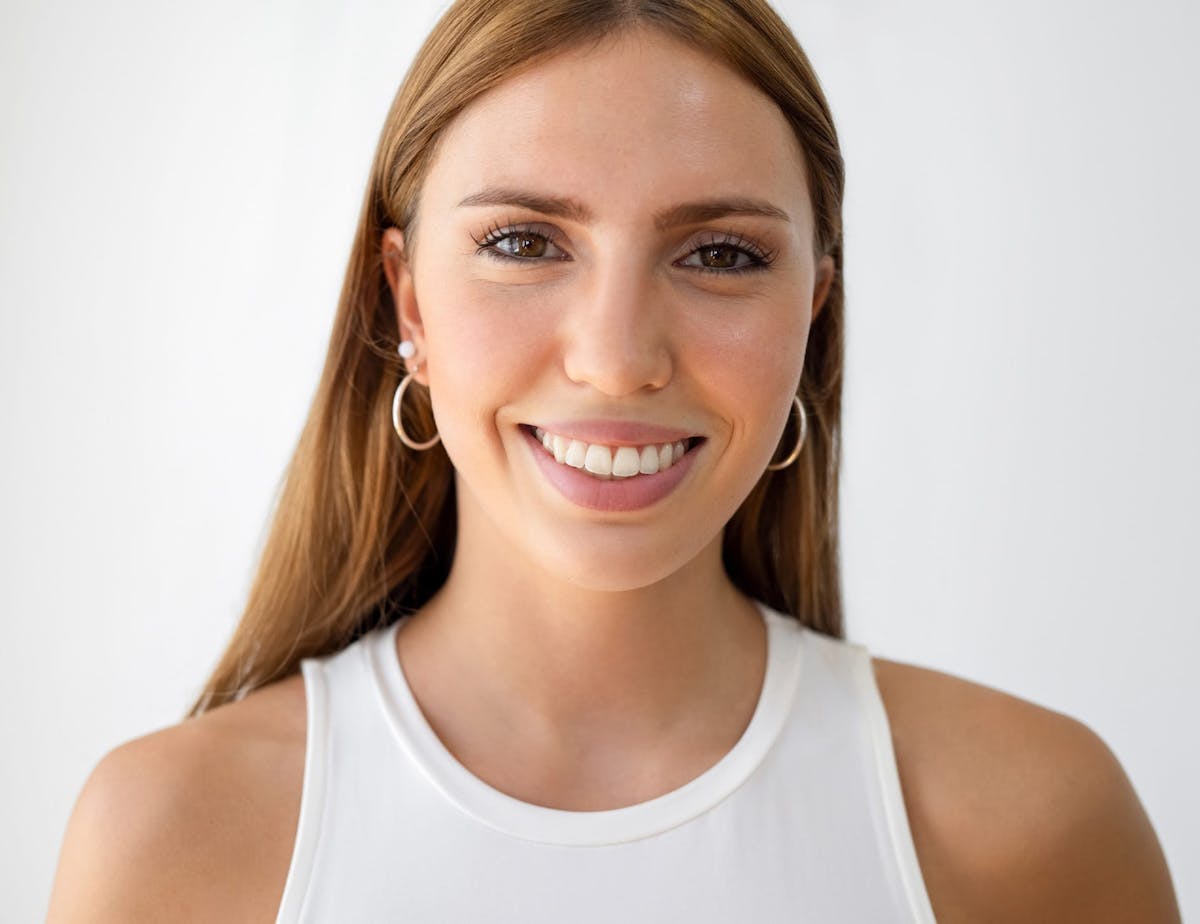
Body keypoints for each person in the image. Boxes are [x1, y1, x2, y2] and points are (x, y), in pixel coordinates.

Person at [47, 1, 1181, 921]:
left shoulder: (1034, 826)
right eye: (524, 242)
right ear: (408, 301)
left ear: (812, 313)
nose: (617, 358)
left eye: (721, 255)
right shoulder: (172, 840)